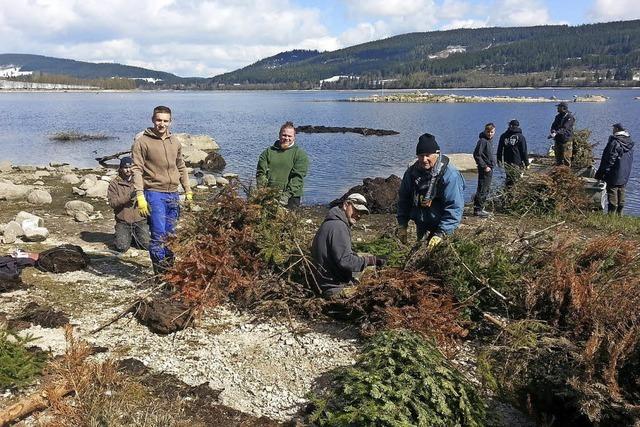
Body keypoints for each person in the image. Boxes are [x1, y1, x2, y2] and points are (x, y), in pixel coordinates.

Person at [131, 106, 192, 276]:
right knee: (158, 234)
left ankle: (170, 272)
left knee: (171, 235)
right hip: (154, 193)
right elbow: (136, 169)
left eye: (165, 121)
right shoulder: (142, 142)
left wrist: (187, 190)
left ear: (170, 121)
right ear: (153, 120)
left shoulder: (175, 141)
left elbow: (181, 166)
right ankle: (160, 275)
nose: (162, 124)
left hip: (173, 193)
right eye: (159, 120)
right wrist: (140, 195)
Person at [396, 133, 465, 247]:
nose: (424, 159)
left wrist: (441, 233)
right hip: (421, 222)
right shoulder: (411, 173)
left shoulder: (450, 175)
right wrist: (402, 224)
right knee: (419, 254)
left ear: (437, 154)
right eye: (420, 155)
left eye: (428, 155)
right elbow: (404, 199)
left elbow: (454, 207)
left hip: (442, 225)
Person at [311, 193, 385, 298]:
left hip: (324, 281)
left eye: (361, 213)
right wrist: (371, 260)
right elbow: (345, 261)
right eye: (356, 210)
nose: (359, 215)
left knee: (365, 256)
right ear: (346, 205)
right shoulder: (339, 226)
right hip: (333, 288)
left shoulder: (331, 222)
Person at [256, 121, 309, 208]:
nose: (286, 138)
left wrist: (286, 195)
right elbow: (260, 173)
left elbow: (298, 177)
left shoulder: (300, 154)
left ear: (294, 137)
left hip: (291, 197)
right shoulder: (267, 152)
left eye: (289, 136)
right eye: (284, 135)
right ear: (279, 135)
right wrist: (263, 190)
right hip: (269, 194)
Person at [107, 156, 150, 252]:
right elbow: (112, 203)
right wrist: (128, 197)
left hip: (140, 220)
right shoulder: (114, 184)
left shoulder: (140, 180)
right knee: (121, 248)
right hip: (123, 221)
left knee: (146, 246)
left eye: (130, 167)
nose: (128, 170)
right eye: (125, 168)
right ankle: (122, 235)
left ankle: (134, 236)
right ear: (121, 169)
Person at [594, 123, 635, 215]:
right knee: (621, 190)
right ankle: (620, 215)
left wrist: (601, 173)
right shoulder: (629, 142)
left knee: (612, 192)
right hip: (625, 173)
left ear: (616, 129)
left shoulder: (615, 142)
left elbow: (609, 160)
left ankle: (611, 215)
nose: (612, 130)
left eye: (613, 128)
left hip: (614, 172)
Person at [473, 123, 496, 217]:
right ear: (485, 131)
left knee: (486, 189)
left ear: (494, 131)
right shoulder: (482, 141)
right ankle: (478, 210)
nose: (490, 134)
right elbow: (476, 154)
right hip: (485, 169)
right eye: (488, 132)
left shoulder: (489, 140)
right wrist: (484, 166)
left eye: (492, 132)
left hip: (489, 169)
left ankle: (481, 208)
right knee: (482, 188)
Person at [497, 119, 529, 187]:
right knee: (516, 179)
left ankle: (507, 191)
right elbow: (524, 151)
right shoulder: (521, 137)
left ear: (509, 126)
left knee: (509, 178)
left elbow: (499, 150)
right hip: (517, 162)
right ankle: (513, 193)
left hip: (507, 162)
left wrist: (499, 161)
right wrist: (527, 163)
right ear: (518, 126)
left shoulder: (503, 136)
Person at [549, 102, 576, 166]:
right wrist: (553, 131)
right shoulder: (558, 116)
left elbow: (565, 128)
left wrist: (556, 133)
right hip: (558, 140)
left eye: (559, 107)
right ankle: (558, 172)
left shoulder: (569, 117)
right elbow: (553, 126)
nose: (557, 108)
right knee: (558, 158)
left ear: (563, 108)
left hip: (566, 141)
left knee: (566, 158)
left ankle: (567, 173)